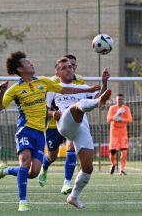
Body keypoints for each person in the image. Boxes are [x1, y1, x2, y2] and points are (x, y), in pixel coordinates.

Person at [0, 52, 101, 212]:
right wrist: (1, 92)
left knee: (33, 172)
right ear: (20, 69)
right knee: (25, 162)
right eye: (28, 62)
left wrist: (90, 88)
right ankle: (23, 202)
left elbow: (64, 89)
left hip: (39, 132)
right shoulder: (15, 89)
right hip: (24, 130)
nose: (32, 64)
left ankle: (6, 170)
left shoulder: (43, 82)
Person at [46, 57, 111, 209]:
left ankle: (73, 196)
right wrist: (52, 114)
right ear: (57, 72)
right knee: (79, 105)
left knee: (88, 167)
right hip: (65, 124)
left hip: (82, 128)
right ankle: (95, 104)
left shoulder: (82, 87)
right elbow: (44, 109)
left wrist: (104, 83)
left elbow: (99, 96)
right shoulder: (53, 88)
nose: (69, 69)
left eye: (70, 67)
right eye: (64, 68)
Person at [38, 54, 85, 195]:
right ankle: (44, 167)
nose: (71, 69)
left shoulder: (81, 81)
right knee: (52, 156)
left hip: (71, 123)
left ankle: (67, 183)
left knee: (71, 146)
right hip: (54, 125)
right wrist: (52, 114)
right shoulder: (52, 83)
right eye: (67, 66)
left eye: (73, 66)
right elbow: (41, 107)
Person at [106, 94, 132, 175]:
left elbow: (130, 119)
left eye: (121, 99)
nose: (120, 101)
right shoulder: (112, 108)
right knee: (113, 152)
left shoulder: (126, 108)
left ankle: (122, 169)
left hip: (123, 133)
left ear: (123, 100)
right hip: (114, 132)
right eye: (118, 99)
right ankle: (113, 164)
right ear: (116, 100)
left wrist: (122, 119)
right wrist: (115, 116)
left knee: (124, 151)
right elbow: (108, 119)